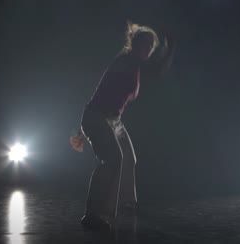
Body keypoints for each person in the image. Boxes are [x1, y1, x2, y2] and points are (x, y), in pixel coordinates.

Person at [70, 22, 175, 231]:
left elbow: (156, 69)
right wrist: (168, 48)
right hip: (98, 118)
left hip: (112, 120)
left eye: (151, 47)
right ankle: (92, 214)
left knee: (128, 158)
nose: (148, 50)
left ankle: (125, 204)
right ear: (135, 45)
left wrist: (167, 49)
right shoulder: (125, 62)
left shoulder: (134, 63)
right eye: (146, 46)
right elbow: (155, 70)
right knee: (112, 159)